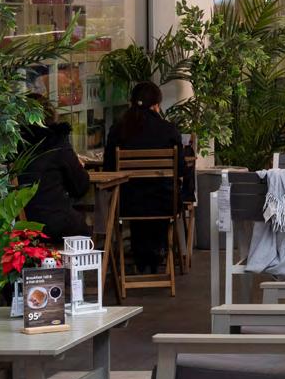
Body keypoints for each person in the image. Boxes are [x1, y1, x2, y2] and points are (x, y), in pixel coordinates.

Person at [105, 82, 190, 275]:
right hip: (164, 204)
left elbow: (109, 169)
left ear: (131, 103)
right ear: (156, 105)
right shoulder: (168, 130)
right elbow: (181, 170)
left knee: (137, 198)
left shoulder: (118, 130)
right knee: (156, 198)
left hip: (127, 204)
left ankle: (142, 256)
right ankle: (156, 253)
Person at [19, 96, 91, 242]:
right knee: (81, 226)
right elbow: (80, 187)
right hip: (53, 223)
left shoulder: (14, 146)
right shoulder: (56, 143)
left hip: (20, 225)